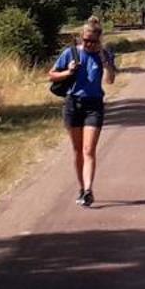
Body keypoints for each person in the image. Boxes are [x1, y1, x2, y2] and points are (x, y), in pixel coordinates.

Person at [47, 18, 117, 206]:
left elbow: (110, 80)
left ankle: (88, 190)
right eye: (86, 40)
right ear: (81, 38)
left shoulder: (105, 55)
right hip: (73, 104)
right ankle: (81, 188)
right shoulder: (70, 53)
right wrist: (68, 73)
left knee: (89, 149)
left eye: (93, 41)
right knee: (77, 151)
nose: (89, 44)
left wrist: (105, 63)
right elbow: (51, 74)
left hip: (94, 105)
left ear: (99, 40)